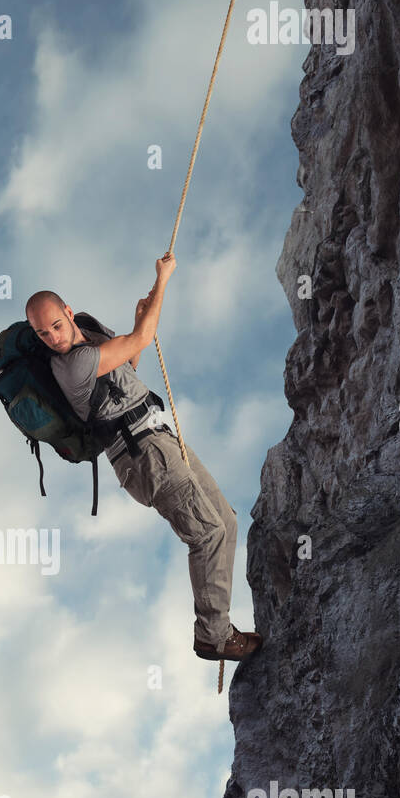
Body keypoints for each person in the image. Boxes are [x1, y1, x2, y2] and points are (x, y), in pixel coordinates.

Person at [24, 252, 262, 664]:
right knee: (206, 533)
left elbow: (130, 362)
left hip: (160, 439)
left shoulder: (92, 337)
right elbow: (140, 341)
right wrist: (163, 281)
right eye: (42, 334)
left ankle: (218, 628)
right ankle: (213, 635)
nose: (53, 337)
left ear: (68, 311)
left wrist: (141, 317)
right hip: (142, 454)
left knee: (225, 521)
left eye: (56, 326)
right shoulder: (71, 365)